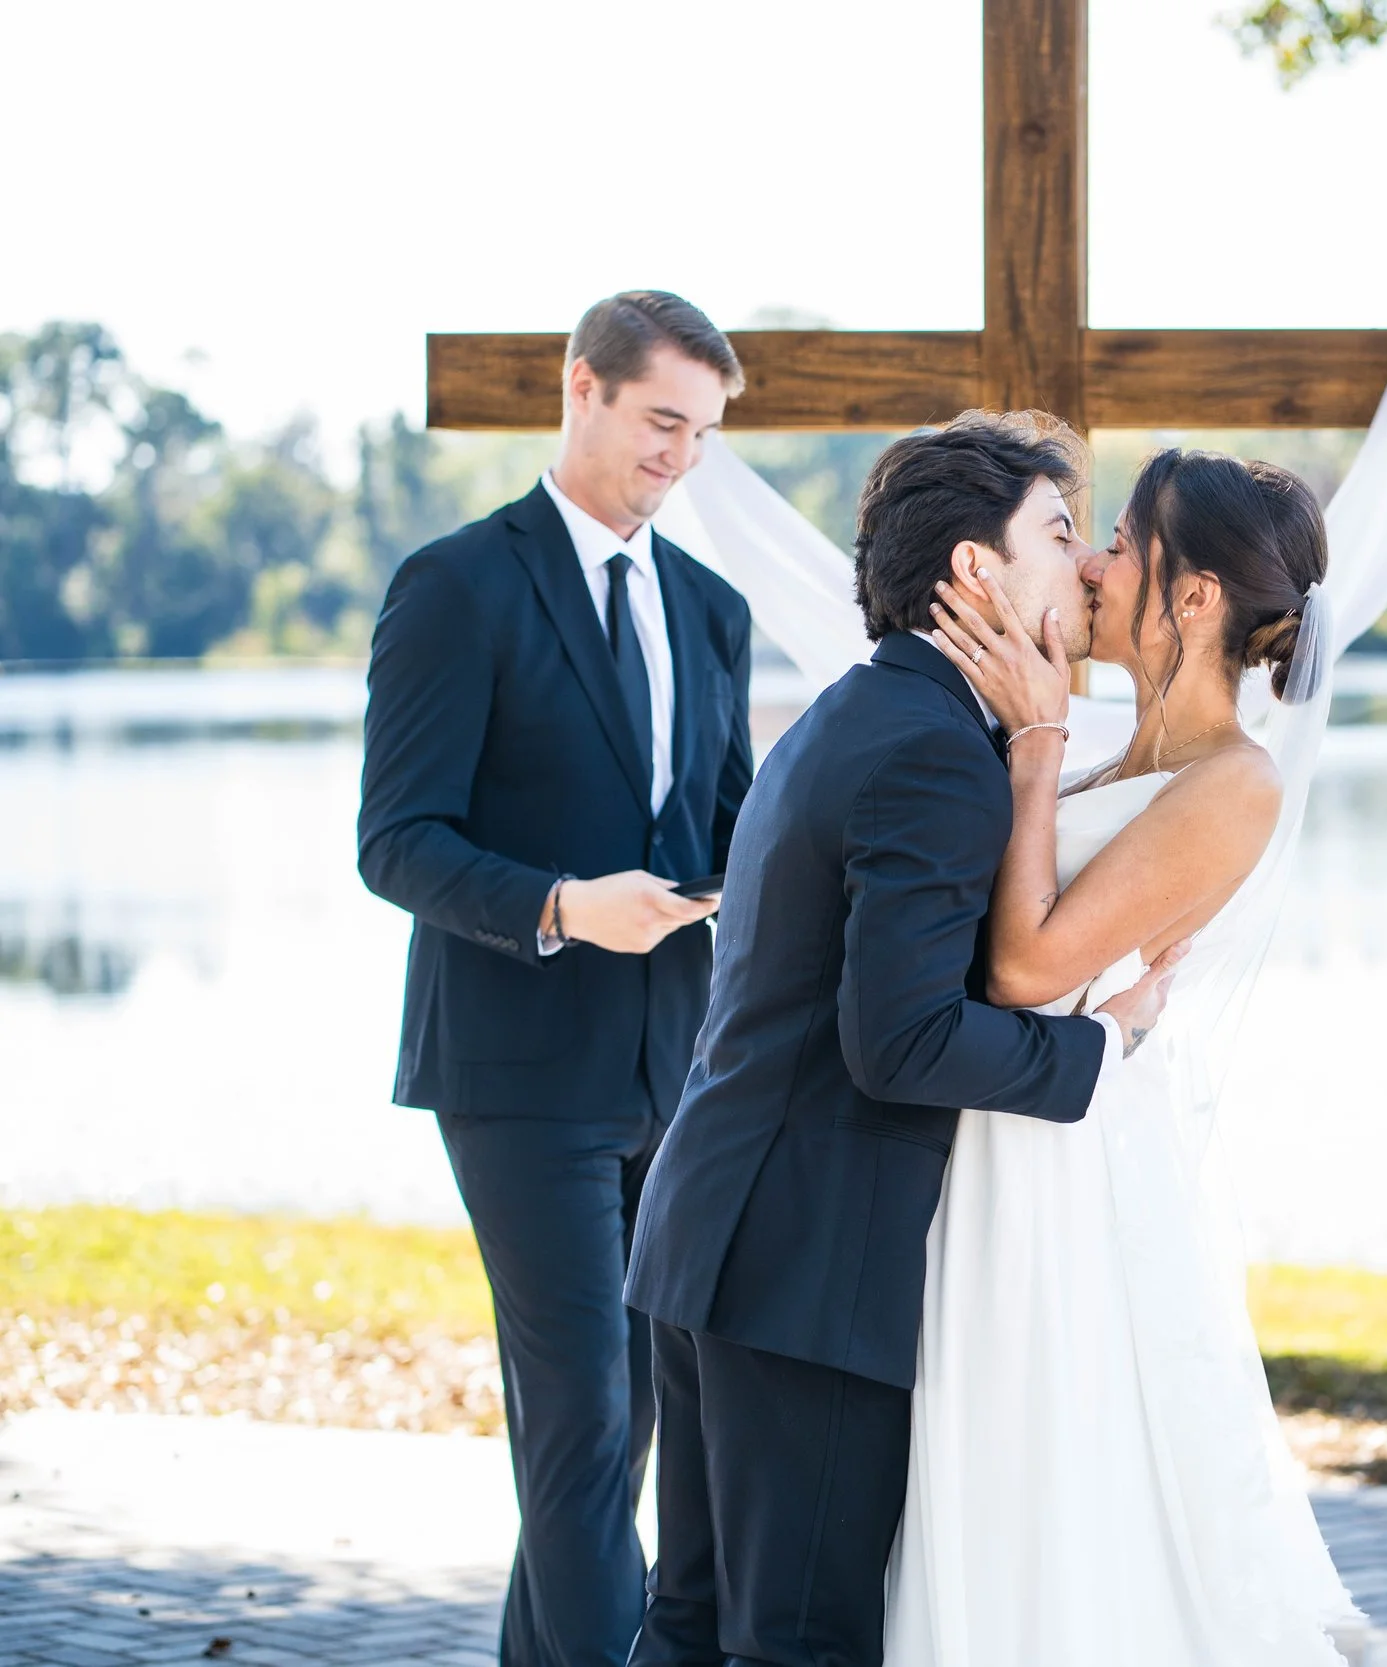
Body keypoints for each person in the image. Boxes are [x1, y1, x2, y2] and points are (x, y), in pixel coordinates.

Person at [621, 412, 1185, 1666]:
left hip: (716, 1231)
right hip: (802, 1266)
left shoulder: (862, 711)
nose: (1086, 563)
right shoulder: (931, 752)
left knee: (692, 1623)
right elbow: (903, 1041)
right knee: (798, 1641)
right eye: (1058, 532)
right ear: (976, 569)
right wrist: (1104, 1043)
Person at [891, 447, 1361, 1664]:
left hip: (1064, 1173)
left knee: (1051, 1478)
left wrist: (1036, 743)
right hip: (999, 1136)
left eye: (1120, 546)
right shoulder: (1120, 759)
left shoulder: (1232, 782)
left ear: (1192, 596)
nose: (1093, 566)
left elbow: (1027, 967)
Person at [356, 291, 755, 1667]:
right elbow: (396, 841)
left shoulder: (711, 608)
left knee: (625, 1423)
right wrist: (563, 907)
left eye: (701, 435)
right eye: (661, 421)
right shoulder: (457, 584)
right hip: (518, 1073)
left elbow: (729, 826)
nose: (679, 458)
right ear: (582, 386)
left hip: (677, 1070)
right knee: (585, 1417)